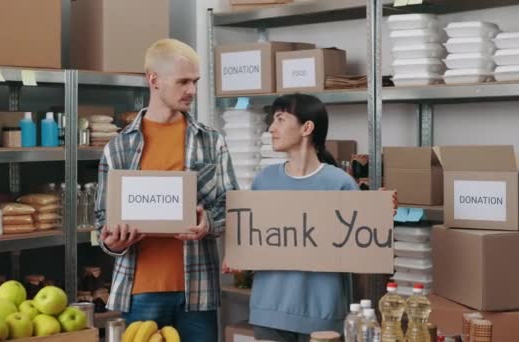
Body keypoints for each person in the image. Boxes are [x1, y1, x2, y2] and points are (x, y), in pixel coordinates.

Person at [95, 38, 238, 341]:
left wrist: (208, 223)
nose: (192, 91)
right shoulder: (118, 148)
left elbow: (231, 205)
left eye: (196, 82)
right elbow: (101, 223)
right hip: (139, 292)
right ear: (154, 80)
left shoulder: (212, 141)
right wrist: (114, 242)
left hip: (197, 291)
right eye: (184, 81)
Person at [223, 93, 396, 341]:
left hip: (322, 315)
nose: (271, 128)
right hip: (268, 312)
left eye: (280, 119)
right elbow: (256, 244)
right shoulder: (264, 181)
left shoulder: (340, 183)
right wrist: (237, 255)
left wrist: (378, 216)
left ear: (307, 127)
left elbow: (359, 250)